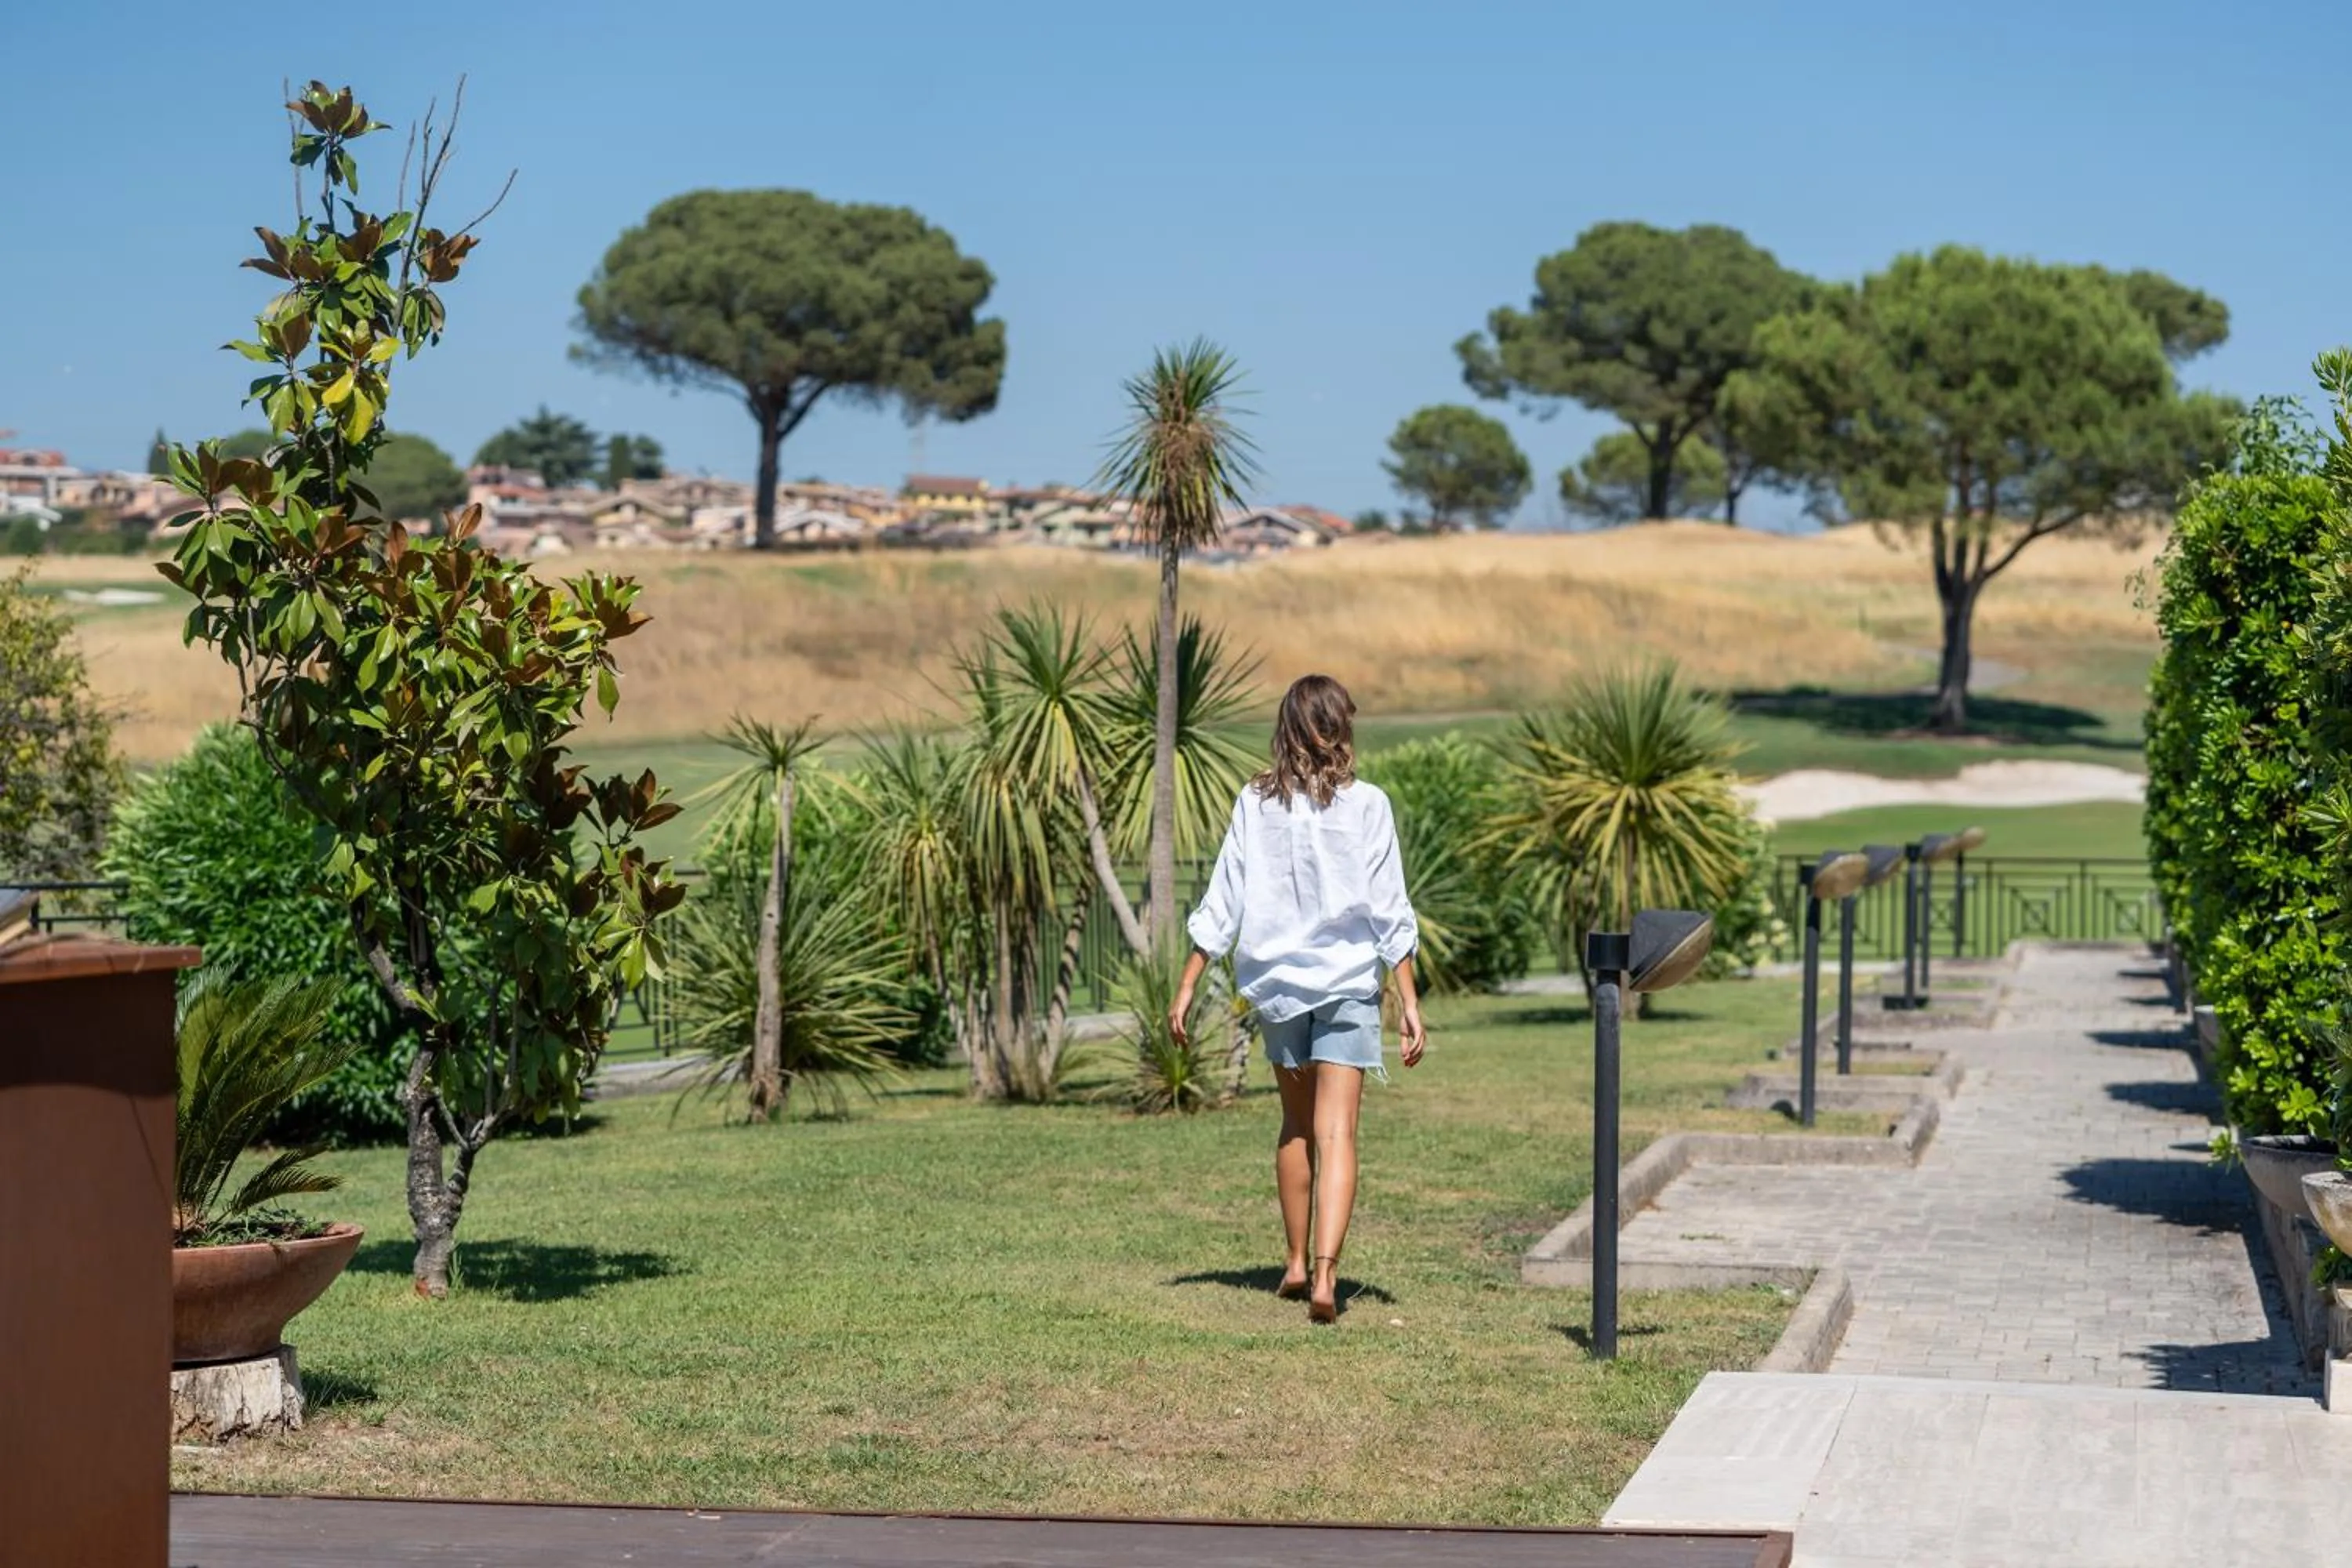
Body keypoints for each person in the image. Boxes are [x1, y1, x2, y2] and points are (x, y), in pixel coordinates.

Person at [1173, 673, 1424, 1325]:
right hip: (1345, 986)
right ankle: (1325, 1275)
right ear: (1340, 726)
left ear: (1285, 728)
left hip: (1279, 988)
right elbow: (1389, 908)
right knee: (1336, 1130)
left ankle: (1290, 1261)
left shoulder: (1255, 803)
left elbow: (1223, 898)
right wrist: (1410, 1001)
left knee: (1295, 1126)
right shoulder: (1368, 805)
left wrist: (1188, 983)